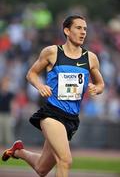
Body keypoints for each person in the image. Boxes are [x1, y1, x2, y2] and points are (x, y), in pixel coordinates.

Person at [2, 15, 104, 177]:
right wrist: (40, 86)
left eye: (85, 29)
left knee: (42, 168)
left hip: (71, 117)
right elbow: (31, 74)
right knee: (65, 160)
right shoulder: (52, 52)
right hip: (52, 114)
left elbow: (100, 84)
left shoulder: (90, 58)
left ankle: (18, 151)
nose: (83, 32)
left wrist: (96, 88)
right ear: (67, 31)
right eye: (78, 28)